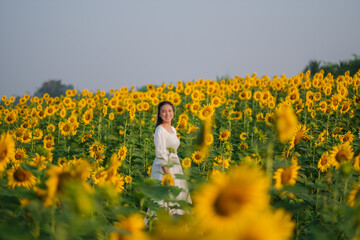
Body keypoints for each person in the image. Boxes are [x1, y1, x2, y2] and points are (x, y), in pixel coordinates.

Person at [150, 101, 192, 215]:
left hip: (175, 165)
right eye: (163, 111)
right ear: (159, 114)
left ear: (173, 112)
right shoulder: (160, 130)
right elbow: (160, 154)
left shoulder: (173, 129)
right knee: (164, 199)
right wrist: (168, 176)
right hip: (165, 168)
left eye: (169, 111)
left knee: (178, 198)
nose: (167, 114)